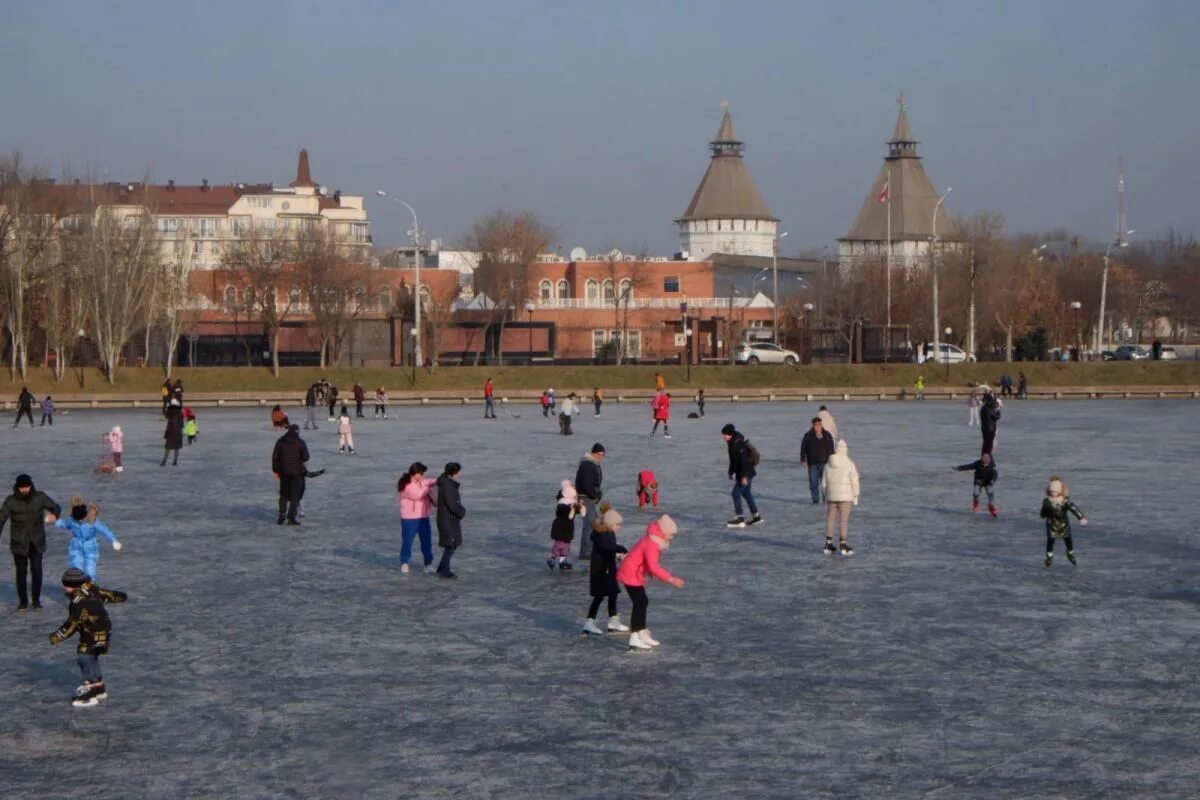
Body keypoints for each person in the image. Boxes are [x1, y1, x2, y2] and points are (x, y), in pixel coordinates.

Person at [49, 567, 127, 707]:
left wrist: (57, 636)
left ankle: (90, 689)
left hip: (91, 633)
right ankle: (98, 686)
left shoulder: (80, 602)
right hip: (103, 631)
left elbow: (73, 623)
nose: (64, 587)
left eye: (66, 584)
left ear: (71, 585)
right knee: (92, 656)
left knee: (84, 657)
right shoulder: (91, 590)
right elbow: (107, 594)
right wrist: (121, 596)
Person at [617, 514, 685, 652]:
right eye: (670, 535)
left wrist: (646, 571)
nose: (671, 538)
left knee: (642, 602)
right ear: (663, 532)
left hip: (633, 573)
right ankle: (635, 637)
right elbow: (654, 566)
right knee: (640, 602)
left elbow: (647, 562)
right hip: (630, 574)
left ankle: (641, 632)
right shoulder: (652, 544)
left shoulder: (654, 539)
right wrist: (670, 579)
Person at [0, 474, 61, 611]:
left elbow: (55, 507)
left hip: (36, 541)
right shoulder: (10, 501)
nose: (25, 490)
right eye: (22, 488)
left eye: (27, 487)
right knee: (21, 573)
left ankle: (36, 601)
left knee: (37, 571)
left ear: (31, 485)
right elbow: (1, 518)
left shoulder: (40, 497)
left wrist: (54, 515)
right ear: (17, 487)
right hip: (19, 543)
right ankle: (23, 602)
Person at [581, 504, 629, 635]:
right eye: (617, 525)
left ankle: (609, 620)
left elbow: (609, 547)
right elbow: (609, 546)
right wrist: (622, 549)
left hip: (605, 567)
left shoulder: (604, 532)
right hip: (602, 569)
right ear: (610, 524)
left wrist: (617, 554)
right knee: (603, 595)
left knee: (610, 593)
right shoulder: (604, 534)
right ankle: (592, 622)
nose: (620, 527)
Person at [55, 497, 122, 580]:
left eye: (81, 519)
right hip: (76, 546)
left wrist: (114, 541)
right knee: (76, 567)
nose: (79, 521)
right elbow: (65, 524)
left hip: (90, 547)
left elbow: (105, 530)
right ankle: (77, 585)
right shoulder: (71, 520)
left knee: (90, 569)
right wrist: (56, 521)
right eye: (77, 519)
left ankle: (90, 584)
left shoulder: (93, 522)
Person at [821, 439, 860, 556]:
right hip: (846, 497)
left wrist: (826, 494)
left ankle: (828, 544)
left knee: (830, 519)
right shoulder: (849, 463)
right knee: (843, 521)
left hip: (832, 496)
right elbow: (854, 481)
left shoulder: (829, 463)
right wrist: (856, 495)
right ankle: (843, 545)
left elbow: (824, 482)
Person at [398, 463, 437, 574]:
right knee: (407, 541)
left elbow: (430, 481)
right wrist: (428, 488)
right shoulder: (407, 485)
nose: (423, 475)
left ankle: (428, 564)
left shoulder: (421, 482)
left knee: (426, 542)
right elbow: (418, 495)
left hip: (424, 518)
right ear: (415, 473)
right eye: (421, 473)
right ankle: (404, 562)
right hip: (410, 519)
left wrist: (439, 481)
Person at [1041, 476, 1087, 568]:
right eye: (1052, 492)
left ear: (1059, 492)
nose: (1053, 493)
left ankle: (1070, 553)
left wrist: (1081, 517)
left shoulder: (1065, 501)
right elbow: (1043, 513)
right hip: (1052, 525)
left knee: (1068, 540)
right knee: (1050, 541)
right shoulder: (1047, 501)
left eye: (1055, 491)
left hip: (1064, 525)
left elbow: (1074, 508)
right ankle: (1049, 556)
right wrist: (1045, 512)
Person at [722, 424, 762, 528]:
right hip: (744, 473)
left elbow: (744, 461)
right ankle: (756, 516)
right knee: (746, 494)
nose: (723, 436)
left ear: (730, 434)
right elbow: (733, 460)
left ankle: (740, 518)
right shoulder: (731, 443)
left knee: (735, 493)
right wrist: (730, 472)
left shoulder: (738, 444)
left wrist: (744, 476)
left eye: (725, 434)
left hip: (746, 473)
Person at [272, 424, 310, 525]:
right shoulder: (300, 442)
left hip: (284, 472)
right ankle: (291, 517)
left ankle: (282, 513)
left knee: (283, 494)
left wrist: (276, 469)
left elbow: (275, 456)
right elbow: (306, 457)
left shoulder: (280, 442)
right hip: (297, 473)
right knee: (295, 496)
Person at [574, 443, 605, 560]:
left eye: (603, 455)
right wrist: (594, 494)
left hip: (589, 498)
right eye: (599, 454)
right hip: (586, 498)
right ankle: (586, 552)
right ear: (593, 453)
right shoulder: (588, 465)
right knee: (589, 525)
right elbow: (586, 484)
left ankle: (592, 548)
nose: (601, 457)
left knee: (593, 523)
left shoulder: (592, 464)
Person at [435, 462, 465, 579]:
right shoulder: (448, 487)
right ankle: (444, 570)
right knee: (451, 545)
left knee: (451, 544)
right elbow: (452, 505)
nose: (459, 474)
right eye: (458, 471)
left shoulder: (447, 483)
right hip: (448, 520)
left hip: (447, 519)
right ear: (453, 473)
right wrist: (462, 511)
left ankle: (442, 567)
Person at [800, 417, 837, 505]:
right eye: (816, 425)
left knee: (825, 484)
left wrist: (833, 459)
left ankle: (826, 500)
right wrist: (802, 458)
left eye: (820, 424)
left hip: (825, 462)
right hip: (813, 464)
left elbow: (831, 448)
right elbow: (803, 448)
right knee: (813, 483)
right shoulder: (808, 435)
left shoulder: (827, 435)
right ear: (813, 426)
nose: (818, 426)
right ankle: (815, 500)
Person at [548, 480, 580, 571]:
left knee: (566, 544)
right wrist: (571, 508)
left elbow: (577, 512)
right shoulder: (561, 505)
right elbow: (563, 512)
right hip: (560, 527)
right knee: (559, 544)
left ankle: (563, 561)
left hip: (568, 527)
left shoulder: (572, 504)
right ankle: (551, 557)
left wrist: (578, 507)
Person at [980, 391, 1002, 456]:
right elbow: (996, 417)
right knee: (989, 444)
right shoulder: (990, 408)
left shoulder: (983, 408)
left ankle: (984, 457)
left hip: (984, 428)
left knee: (985, 443)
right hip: (991, 428)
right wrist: (998, 411)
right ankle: (988, 458)